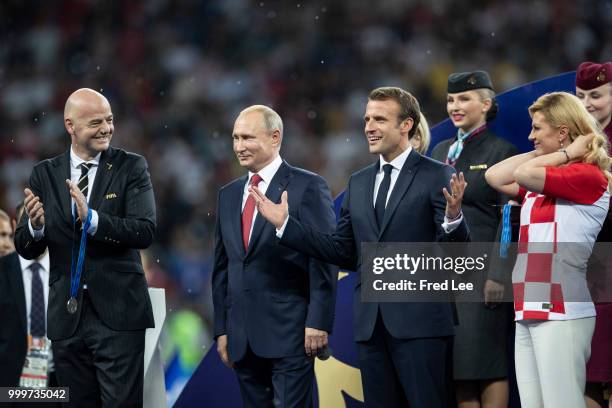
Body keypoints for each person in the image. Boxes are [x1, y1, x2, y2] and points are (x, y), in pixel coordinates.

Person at [251, 87, 470, 408]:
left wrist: (453, 218)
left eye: (380, 119)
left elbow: (455, 255)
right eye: (367, 118)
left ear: (406, 125)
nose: (369, 126)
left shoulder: (437, 174)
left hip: (421, 326)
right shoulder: (359, 181)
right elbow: (344, 252)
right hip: (371, 327)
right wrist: (287, 225)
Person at [14, 88, 156, 407]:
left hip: (118, 315)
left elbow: (145, 230)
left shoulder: (131, 167)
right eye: (96, 122)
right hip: (68, 319)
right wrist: (36, 228)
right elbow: (25, 247)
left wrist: (93, 219)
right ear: (70, 126)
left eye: (109, 120)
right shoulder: (44, 174)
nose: (106, 128)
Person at [485, 92, 611, 407]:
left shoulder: (588, 175)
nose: (530, 137)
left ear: (563, 133)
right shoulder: (548, 178)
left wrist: (566, 153)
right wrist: (555, 150)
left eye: (538, 129)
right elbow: (494, 175)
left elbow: (521, 174)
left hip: (562, 310)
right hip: (529, 307)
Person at [212, 105, 338, 407]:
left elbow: (324, 257)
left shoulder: (307, 186)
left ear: (274, 137)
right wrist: (222, 328)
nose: (239, 147)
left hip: (291, 334)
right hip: (242, 338)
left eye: (248, 138)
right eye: (235, 138)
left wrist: (319, 320)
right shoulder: (228, 194)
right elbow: (223, 267)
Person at [431, 70, 518, 408]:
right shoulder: (439, 150)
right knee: (458, 370)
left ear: (486, 104)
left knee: (487, 364)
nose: (455, 105)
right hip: (443, 276)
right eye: (451, 99)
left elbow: (509, 217)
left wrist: (498, 272)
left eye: (464, 98)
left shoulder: (502, 151)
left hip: (482, 273)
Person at [576, 61, 612, 408]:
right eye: (581, 95)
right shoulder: (570, 144)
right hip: (581, 271)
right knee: (589, 372)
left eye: (596, 95)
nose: (587, 103)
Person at [0, 203, 60, 407]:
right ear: (16, 225)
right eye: (28, 222)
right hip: (9, 390)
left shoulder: (67, 272)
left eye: (40, 222)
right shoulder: (2, 271)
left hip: (57, 389)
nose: (34, 229)